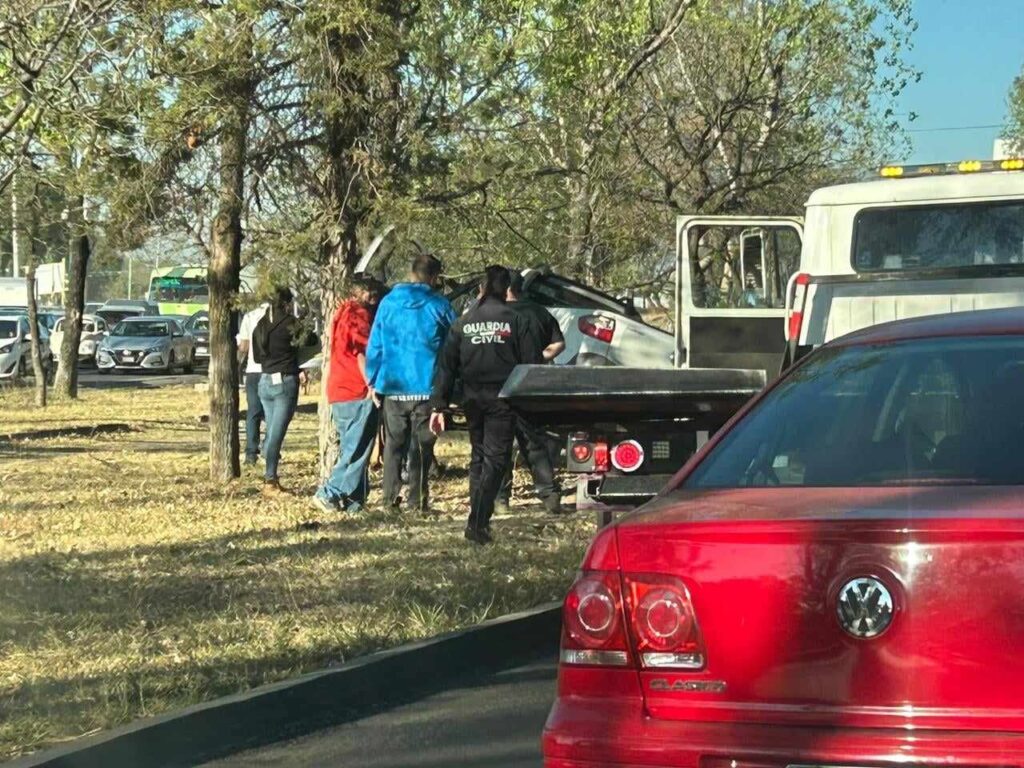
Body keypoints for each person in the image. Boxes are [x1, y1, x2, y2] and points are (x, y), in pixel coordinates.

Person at [430, 265, 529, 544]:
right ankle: (477, 522)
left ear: (481, 288)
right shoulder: (516, 320)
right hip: (503, 400)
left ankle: (478, 521)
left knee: (479, 457)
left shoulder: (463, 323)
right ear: (506, 289)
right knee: (496, 460)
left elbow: (446, 367)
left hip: (473, 400)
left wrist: (439, 406)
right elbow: (530, 364)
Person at [365, 253, 456, 513]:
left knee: (393, 446)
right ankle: (417, 502)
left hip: (393, 386)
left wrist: (372, 380)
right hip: (426, 386)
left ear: (412, 273)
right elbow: (455, 340)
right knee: (421, 448)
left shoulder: (387, 303)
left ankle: (389, 501)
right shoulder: (439, 305)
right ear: (434, 277)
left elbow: (375, 344)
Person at [496, 269, 566, 514]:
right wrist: (540, 357)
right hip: (530, 386)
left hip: (499, 387)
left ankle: (501, 499)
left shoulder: (493, 315)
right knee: (534, 444)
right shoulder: (539, 312)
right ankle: (549, 496)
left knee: (501, 444)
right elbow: (559, 343)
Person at [313, 277, 385, 513]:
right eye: (370, 293)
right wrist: (372, 384)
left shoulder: (342, 312)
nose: (374, 298)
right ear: (360, 294)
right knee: (358, 450)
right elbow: (362, 353)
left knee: (353, 446)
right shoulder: (358, 315)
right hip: (356, 390)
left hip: (339, 390)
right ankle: (329, 492)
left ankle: (355, 503)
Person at [252, 287, 305, 496]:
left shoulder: (260, 325)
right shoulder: (291, 323)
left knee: (272, 430)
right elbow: (309, 340)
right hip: (285, 382)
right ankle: (270, 480)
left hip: (264, 381)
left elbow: (257, 357)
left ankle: (269, 467)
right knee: (276, 435)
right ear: (287, 303)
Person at [237, 300, 269, 465]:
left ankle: (251, 452)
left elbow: (244, 346)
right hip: (273, 369)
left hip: (253, 370)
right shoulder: (280, 316)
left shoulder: (250, 316)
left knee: (253, 412)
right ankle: (269, 448)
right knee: (272, 413)